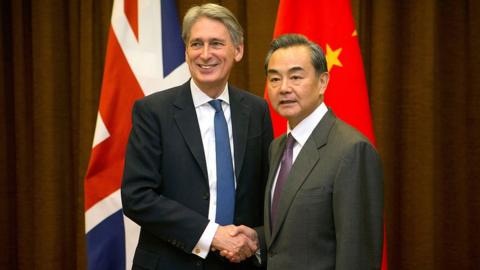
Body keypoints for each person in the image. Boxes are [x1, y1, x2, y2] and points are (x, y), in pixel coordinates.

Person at [121, 3, 273, 269]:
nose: (205, 54)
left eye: (216, 43)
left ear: (238, 50)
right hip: (171, 262)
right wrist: (212, 235)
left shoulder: (257, 110)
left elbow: (267, 192)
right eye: (196, 44)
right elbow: (137, 196)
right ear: (186, 51)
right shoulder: (153, 111)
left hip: (240, 263)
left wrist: (256, 238)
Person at [230, 34, 383, 269]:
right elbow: (294, 231)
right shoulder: (277, 146)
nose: (284, 88)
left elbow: (357, 254)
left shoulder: (351, 150)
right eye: (274, 79)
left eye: (296, 77)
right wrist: (258, 238)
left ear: (323, 82)